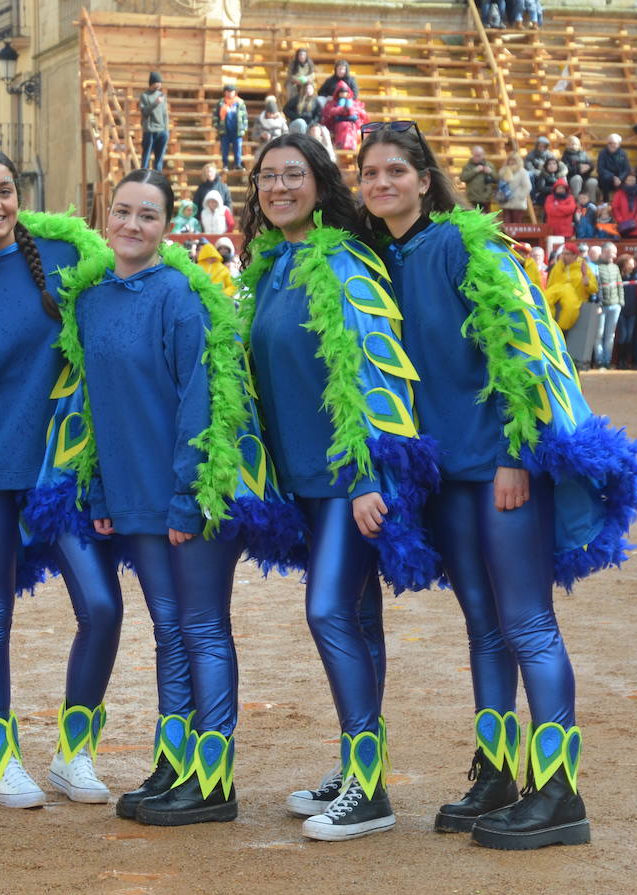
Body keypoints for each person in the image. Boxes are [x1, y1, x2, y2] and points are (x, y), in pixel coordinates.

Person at [356, 121, 637, 850]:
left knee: (527, 622)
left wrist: (519, 453)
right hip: (448, 476)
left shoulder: (461, 242)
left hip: (502, 469)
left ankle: (560, 796)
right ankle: (498, 773)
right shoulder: (381, 259)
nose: (382, 182)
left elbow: (520, 342)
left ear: (425, 179)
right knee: (483, 624)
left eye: (396, 170)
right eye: (370, 173)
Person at [62, 168, 291, 825]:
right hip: (133, 494)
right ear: (107, 218)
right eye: (123, 212)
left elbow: (203, 401)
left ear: (167, 228)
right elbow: (94, 405)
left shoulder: (180, 296)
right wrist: (102, 485)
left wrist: (191, 497)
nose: (133, 225)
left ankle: (213, 780)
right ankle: (176, 758)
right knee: (169, 629)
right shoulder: (93, 298)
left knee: (202, 628)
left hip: (194, 494)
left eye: (149, 216)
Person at [239, 132, 438, 842]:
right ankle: (362, 769)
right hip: (304, 481)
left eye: (294, 175)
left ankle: (371, 792)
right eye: (267, 177)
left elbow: (370, 371)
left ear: (320, 185)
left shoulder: (344, 260)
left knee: (328, 613)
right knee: (357, 620)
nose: (279, 187)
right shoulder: (271, 265)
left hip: (346, 481)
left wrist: (364, 476)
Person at [0, 146, 127, 809]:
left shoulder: (65, 258)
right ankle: (0, 758)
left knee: (102, 606)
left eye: (5, 190)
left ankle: (76, 753)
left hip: (62, 472)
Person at [544, 240, 598, 332]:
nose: (563, 256)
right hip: (557, 305)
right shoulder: (557, 267)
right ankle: (548, 326)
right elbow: (550, 286)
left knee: (570, 307)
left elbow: (594, 289)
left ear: (575, 255)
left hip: (577, 307)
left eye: (566, 254)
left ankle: (561, 331)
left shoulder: (584, 267)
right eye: (563, 253)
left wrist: (587, 283)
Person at [594, 242, 623, 369]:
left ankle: (607, 360)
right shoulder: (595, 267)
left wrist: (621, 303)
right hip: (601, 306)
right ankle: (600, 361)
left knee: (610, 335)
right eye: (613, 252)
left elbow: (620, 285)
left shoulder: (615, 267)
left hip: (615, 305)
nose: (615, 255)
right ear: (605, 252)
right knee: (599, 334)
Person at [138, 73, 170, 171]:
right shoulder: (144, 96)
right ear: (152, 83)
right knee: (146, 159)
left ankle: (157, 180)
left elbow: (165, 113)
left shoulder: (161, 95)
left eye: (160, 82)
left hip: (162, 131)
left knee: (159, 160)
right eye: (157, 82)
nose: (160, 84)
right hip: (150, 130)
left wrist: (166, 129)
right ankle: (143, 180)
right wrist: (155, 103)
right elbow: (144, 112)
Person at [322, 84, 367, 151]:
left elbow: (358, 113)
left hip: (351, 123)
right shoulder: (332, 102)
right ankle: (341, 144)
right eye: (341, 92)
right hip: (337, 123)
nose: (343, 94)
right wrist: (342, 110)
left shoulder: (354, 102)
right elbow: (330, 112)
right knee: (343, 125)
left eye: (345, 92)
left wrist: (348, 110)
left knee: (349, 126)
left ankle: (351, 145)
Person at [214, 84, 248, 171]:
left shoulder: (240, 102)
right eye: (227, 91)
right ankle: (225, 165)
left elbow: (245, 116)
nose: (229, 93)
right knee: (225, 150)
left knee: (237, 149)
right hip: (224, 131)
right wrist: (217, 126)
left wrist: (244, 128)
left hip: (237, 131)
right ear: (225, 93)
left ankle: (238, 165)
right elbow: (215, 116)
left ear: (234, 92)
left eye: (231, 91)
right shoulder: (221, 103)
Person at [612, 173, 637, 238]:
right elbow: (615, 208)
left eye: (633, 180)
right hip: (624, 226)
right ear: (625, 181)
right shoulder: (619, 193)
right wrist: (620, 220)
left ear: (636, 181)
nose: (631, 182)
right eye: (629, 180)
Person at [497, 152, 531, 224]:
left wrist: (519, 196)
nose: (511, 162)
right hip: (506, 201)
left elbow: (527, 186)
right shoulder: (503, 171)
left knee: (517, 223)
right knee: (506, 223)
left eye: (514, 160)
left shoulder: (523, 172)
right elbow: (501, 185)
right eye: (510, 160)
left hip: (517, 203)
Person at [460, 146, 497, 211]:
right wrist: (474, 171)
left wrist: (490, 172)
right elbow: (463, 178)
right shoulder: (467, 166)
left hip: (486, 198)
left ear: (483, 155)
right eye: (475, 155)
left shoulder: (490, 165)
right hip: (472, 198)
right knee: (473, 219)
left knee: (485, 219)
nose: (477, 158)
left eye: (479, 155)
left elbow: (497, 179)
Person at [597, 133, 632, 199]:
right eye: (610, 143)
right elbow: (600, 169)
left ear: (619, 144)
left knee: (629, 181)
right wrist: (613, 177)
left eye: (615, 143)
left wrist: (620, 178)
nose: (612, 145)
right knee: (605, 178)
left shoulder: (623, 153)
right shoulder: (602, 153)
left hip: (620, 179)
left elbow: (627, 169)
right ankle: (606, 201)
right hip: (607, 180)